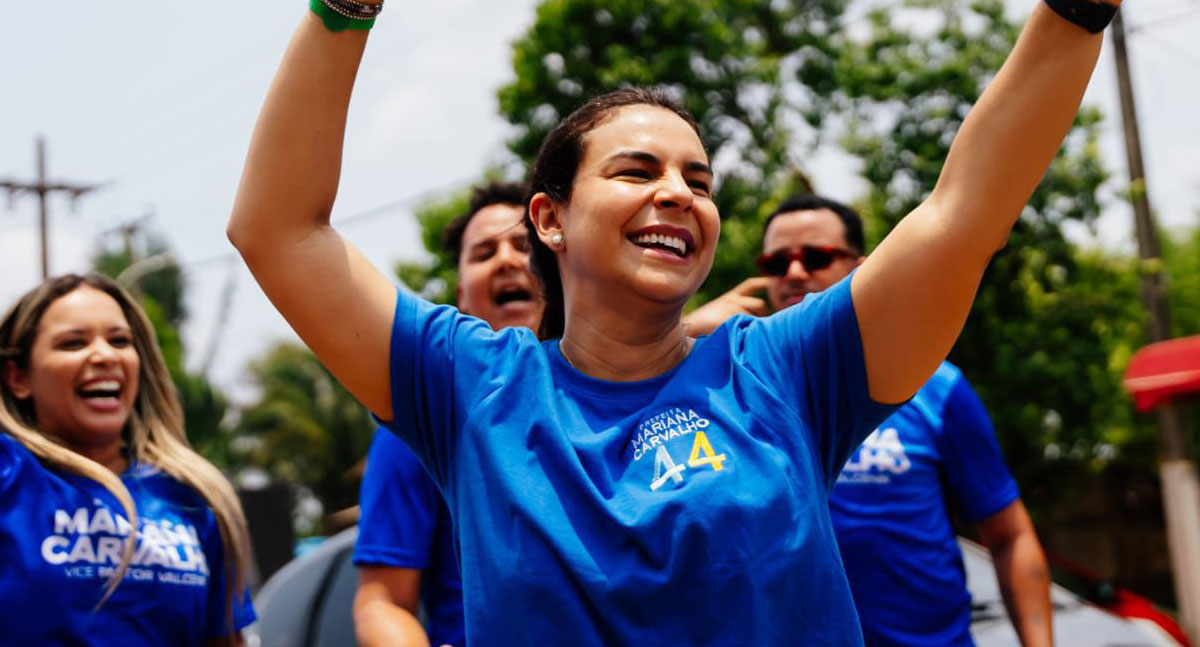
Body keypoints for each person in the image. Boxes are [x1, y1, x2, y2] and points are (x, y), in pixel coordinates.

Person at [228, 0, 1117, 643]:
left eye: (699, 180)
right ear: (549, 217)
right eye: (637, 169)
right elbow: (278, 230)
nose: (677, 194)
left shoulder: (789, 372)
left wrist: (1077, 12)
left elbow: (964, 214)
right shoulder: (470, 386)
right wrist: (345, 7)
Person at [690, 194, 1053, 647]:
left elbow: (1009, 534)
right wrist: (683, 337)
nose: (795, 272)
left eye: (817, 257)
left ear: (863, 270)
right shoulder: (717, 394)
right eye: (777, 262)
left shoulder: (935, 386)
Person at [0, 274, 255, 647]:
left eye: (120, 340)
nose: (105, 355)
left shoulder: (194, 498)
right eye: (73, 343)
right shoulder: (10, 477)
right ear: (18, 378)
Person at [353, 181, 542, 647]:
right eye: (483, 252)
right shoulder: (426, 415)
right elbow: (383, 602)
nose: (506, 260)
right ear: (461, 293)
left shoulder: (631, 391)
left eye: (523, 245)